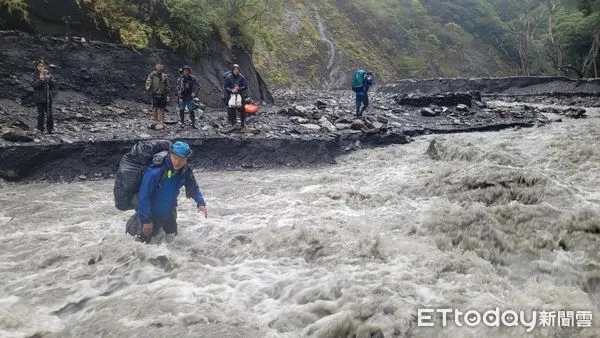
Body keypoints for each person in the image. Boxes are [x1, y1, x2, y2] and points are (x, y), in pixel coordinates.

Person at [125, 141, 208, 243]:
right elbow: (143, 196)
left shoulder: (185, 170)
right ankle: (135, 225)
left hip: (168, 210)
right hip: (150, 211)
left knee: (172, 239)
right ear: (169, 155)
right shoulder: (154, 172)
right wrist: (146, 220)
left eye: (182, 160)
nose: (177, 163)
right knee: (142, 243)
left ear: (186, 159)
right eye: (175, 158)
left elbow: (192, 186)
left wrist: (200, 203)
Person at [31, 61, 57, 134]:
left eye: (42, 66)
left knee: (50, 114)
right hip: (39, 98)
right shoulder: (34, 75)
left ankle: (50, 129)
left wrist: (50, 79)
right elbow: (34, 85)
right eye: (39, 66)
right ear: (37, 67)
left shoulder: (48, 74)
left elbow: (53, 85)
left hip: (48, 97)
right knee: (41, 114)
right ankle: (40, 129)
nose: (41, 68)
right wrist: (41, 80)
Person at [223, 64, 249, 129]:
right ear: (233, 70)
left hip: (240, 95)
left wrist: (239, 88)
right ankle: (233, 123)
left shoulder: (242, 77)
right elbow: (226, 87)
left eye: (237, 69)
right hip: (231, 95)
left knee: (242, 109)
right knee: (232, 109)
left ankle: (242, 123)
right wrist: (232, 90)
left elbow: (245, 86)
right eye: (235, 69)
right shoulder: (228, 77)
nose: (236, 71)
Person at [145, 62, 170, 128]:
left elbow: (167, 85)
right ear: (156, 67)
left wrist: (168, 94)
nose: (160, 67)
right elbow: (148, 81)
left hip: (163, 94)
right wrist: (148, 86)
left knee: (162, 108)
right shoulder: (152, 75)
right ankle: (155, 120)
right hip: (155, 93)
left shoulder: (164, 76)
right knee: (155, 108)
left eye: (161, 66)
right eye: (158, 66)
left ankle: (161, 121)